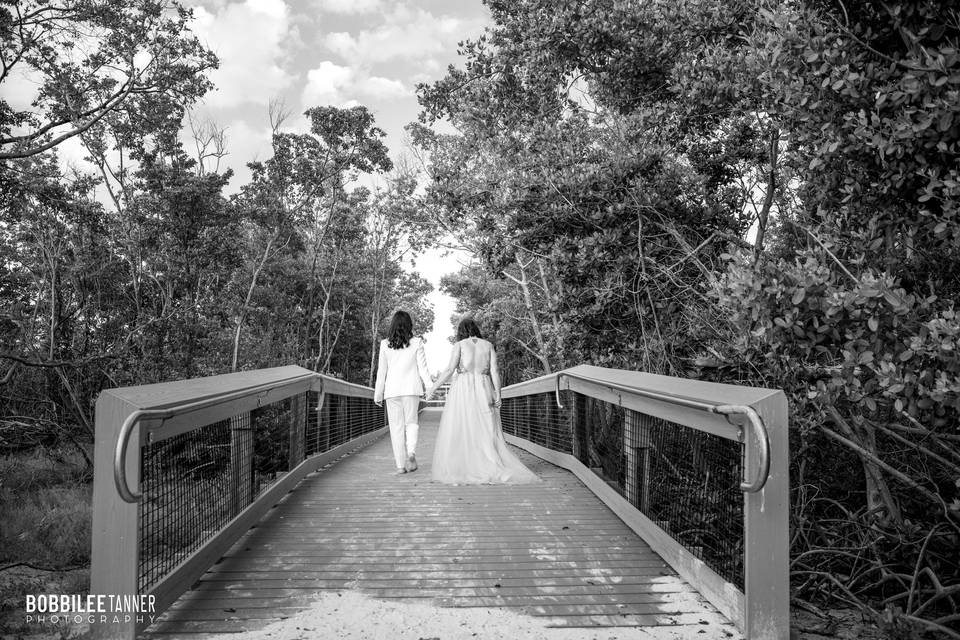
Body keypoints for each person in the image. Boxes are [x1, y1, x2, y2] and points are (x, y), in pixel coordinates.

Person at [425, 317, 539, 484]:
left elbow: (450, 369)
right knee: (486, 427)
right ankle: (490, 463)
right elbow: (495, 371)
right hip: (484, 387)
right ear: (475, 329)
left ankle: (469, 465)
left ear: (461, 331)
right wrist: (498, 394)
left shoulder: (460, 345)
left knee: (464, 426)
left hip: (464, 389)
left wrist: (433, 388)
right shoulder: (488, 345)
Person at [374, 310, 432, 475]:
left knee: (396, 428)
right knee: (411, 423)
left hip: (392, 391)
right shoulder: (417, 342)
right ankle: (411, 453)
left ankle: (400, 466)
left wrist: (378, 394)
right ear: (409, 325)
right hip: (411, 389)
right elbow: (423, 369)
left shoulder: (384, 344)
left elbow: (381, 372)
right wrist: (429, 387)